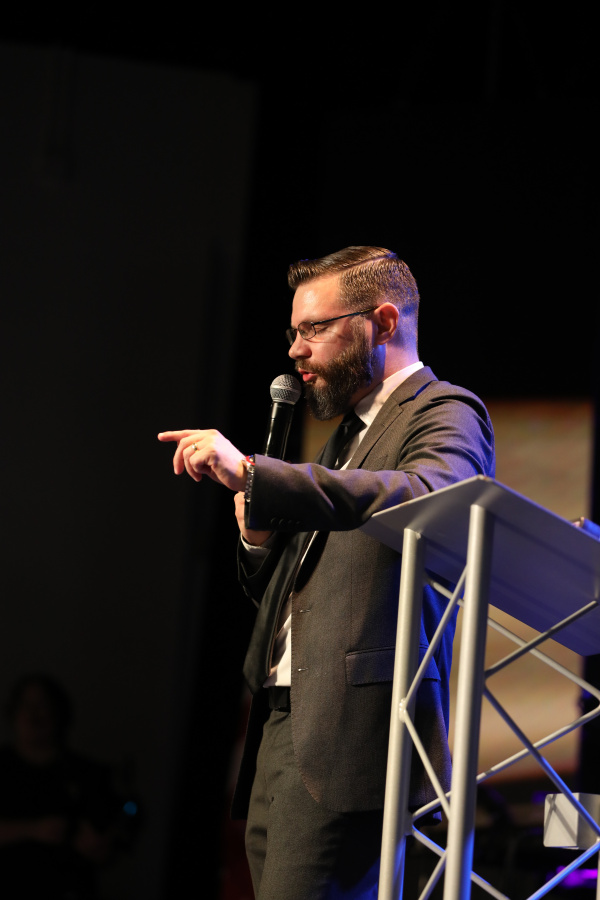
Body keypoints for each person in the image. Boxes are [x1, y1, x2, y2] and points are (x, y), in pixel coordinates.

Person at [158, 246, 495, 899]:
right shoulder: (345, 437)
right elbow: (290, 590)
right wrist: (259, 540)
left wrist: (256, 474)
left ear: (384, 322)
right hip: (285, 719)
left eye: (314, 328)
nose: (296, 350)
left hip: (351, 731)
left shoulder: (443, 409)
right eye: (293, 331)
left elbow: (434, 495)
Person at [0, 674, 122, 899]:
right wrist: (32, 830)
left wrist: (99, 845)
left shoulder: (87, 773)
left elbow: (110, 840)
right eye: (26, 705)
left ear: (58, 714)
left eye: (42, 705)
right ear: (14, 713)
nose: (34, 714)